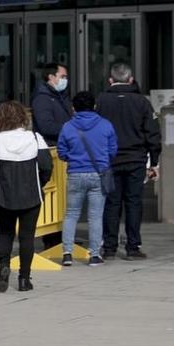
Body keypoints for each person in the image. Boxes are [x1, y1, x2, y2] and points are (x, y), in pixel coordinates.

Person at [95, 62, 161, 261]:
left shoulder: (102, 100)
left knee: (112, 203)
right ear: (131, 79)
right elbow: (152, 133)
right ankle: (133, 247)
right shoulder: (141, 102)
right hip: (136, 159)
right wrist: (154, 161)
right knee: (134, 202)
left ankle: (109, 247)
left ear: (110, 80)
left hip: (110, 160)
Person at [0, 99, 53, 293]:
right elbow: (46, 166)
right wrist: (39, 183)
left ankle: (3, 266)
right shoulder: (34, 138)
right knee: (27, 237)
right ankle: (24, 279)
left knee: (5, 233)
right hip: (31, 194)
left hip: (5, 195)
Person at [56, 92, 117, 266]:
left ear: (73, 108)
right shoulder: (106, 125)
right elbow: (112, 150)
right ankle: (95, 255)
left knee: (71, 214)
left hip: (75, 173)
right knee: (95, 216)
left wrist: (73, 158)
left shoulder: (67, 126)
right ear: (95, 106)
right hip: (99, 174)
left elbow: (61, 152)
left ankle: (67, 253)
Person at [33, 62, 71, 144]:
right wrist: (71, 128)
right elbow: (46, 127)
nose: (65, 80)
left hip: (64, 143)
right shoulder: (42, 98)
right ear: (51, 77)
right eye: (62, 77)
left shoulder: (62, 95)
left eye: (66, 77)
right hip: (51, 145)